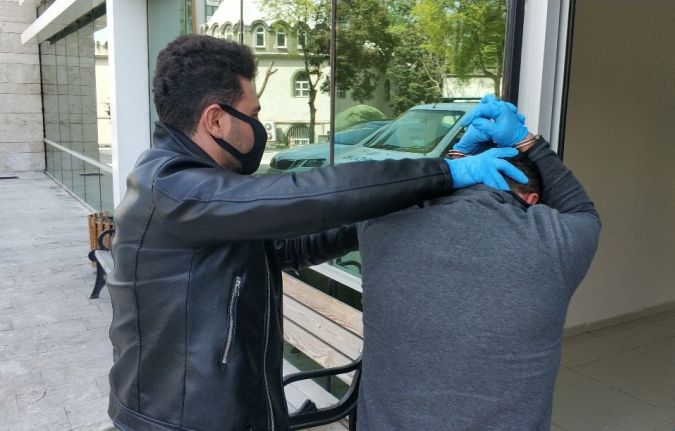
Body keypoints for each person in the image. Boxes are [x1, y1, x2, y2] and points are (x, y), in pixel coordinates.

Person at [105, 35, 529, 431]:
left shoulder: (197, 194)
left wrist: (405, 195)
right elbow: (307, 196)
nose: (259, 124)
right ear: (215, 119)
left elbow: (290, 244)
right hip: (182, 421)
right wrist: (445, 172)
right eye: (253, 114)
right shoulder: (175, 190)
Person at [356, 96, 601, 430]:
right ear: (532, 200)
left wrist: (456, 158)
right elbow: (581, 210)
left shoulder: (380, 224)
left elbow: (405, 192)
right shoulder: (554, 244)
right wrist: (527, 141)